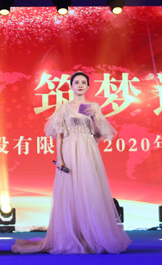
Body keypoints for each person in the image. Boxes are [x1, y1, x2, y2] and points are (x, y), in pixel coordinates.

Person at [13, 71, 130, 254]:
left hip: (88, 151)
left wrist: (94, 118)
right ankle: (72, 235)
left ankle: (92, 235)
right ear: (71, 86)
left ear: (88, 86)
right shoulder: (64, 108)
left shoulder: (93, 107)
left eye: (83, 82)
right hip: (69, 151)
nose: (80, 85)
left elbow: (98, 134)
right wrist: (60, 158)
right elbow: (59, 135)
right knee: (70, 192)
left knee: (90, 190)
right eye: (77, 82)